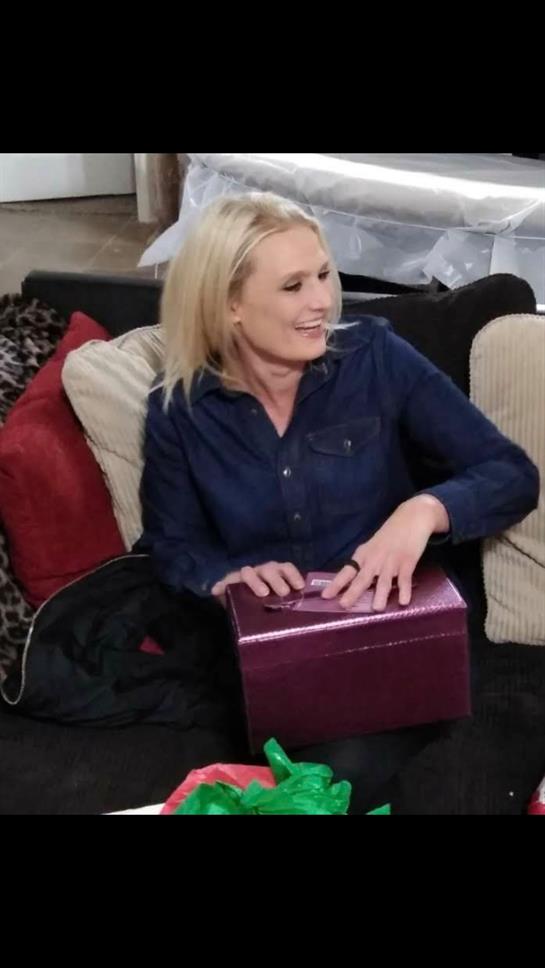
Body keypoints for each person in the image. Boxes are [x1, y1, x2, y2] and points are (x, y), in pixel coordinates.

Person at [137, 192, 539, 812]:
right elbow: (173, 547)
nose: (322, 301)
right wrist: (227, 579)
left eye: (324, 274)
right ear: (230, 304)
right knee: (317, 770)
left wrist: (423, 510)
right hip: (282, 656)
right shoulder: (176, 411)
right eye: (293, 286)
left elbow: (510, 472)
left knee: (349, 774)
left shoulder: (376, 357)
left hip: (400, 633)